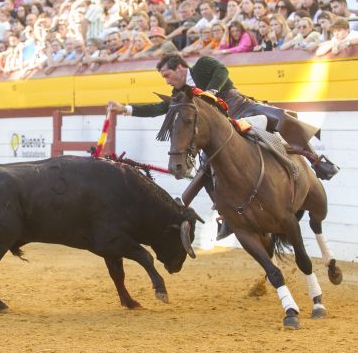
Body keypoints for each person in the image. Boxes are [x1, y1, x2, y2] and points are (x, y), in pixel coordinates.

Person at [108, 53, 340, 240]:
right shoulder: (180, 94)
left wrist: (209, 93)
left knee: (279, 120)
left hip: (241, 110)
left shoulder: (203, 65)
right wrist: (126, 109)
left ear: (180, 68)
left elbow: (222, 71)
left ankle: (316, 161)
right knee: (210, 168)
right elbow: (160, 108)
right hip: (220, 130)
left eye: (168, 75)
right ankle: (227, 215)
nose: (167, 81)